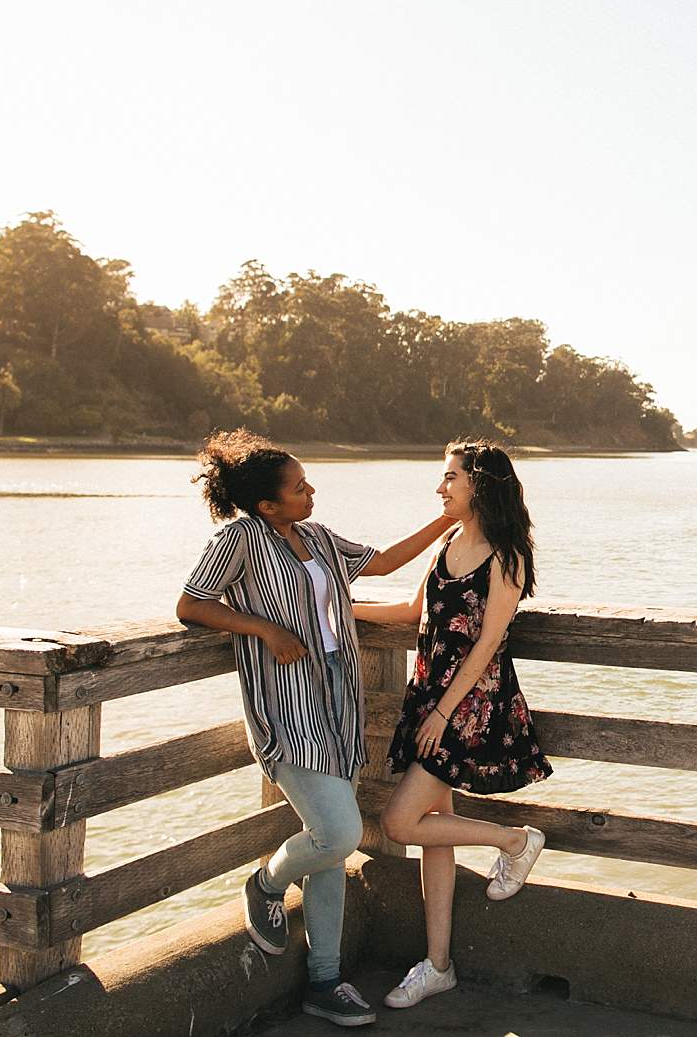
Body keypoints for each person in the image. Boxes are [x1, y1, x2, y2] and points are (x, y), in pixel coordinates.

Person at [177, 428, 452, 1028]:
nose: (311, 491)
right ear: (266, 504)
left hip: (339, 708)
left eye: (307, 482)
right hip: (285, 709)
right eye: (299, 488)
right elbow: (193, 604)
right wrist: (264, 628)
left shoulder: (318, 538)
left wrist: (447, 523)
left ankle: (325, 982)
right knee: (339, 834)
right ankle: (268, 883)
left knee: (330, 850)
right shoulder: (239, 538)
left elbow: (378, 564)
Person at [375, 440, 553, 1011]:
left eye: (450, 477)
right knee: (434, 830)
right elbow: (411, 613)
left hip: (468, 708)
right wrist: (332, 608)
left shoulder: (505, 556)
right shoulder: (448, 543)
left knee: (400, 822)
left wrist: (444, 713)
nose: (440, 487)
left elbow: (488, 645)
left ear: (480, 484)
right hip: (431, 698)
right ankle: (439, 965)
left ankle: (515, 841)